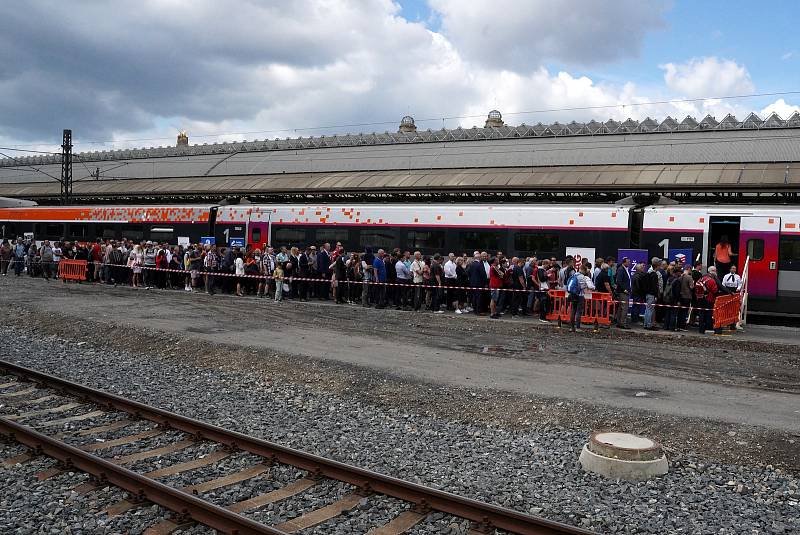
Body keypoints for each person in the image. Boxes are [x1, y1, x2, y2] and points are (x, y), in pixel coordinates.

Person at [566, 264, 595, 332]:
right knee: (579, 311)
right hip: (580, 295)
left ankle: (572, 327)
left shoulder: (574, 275)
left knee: (573, 310)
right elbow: (591, 287)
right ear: (584, 270)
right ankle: (578, 328)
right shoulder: (583, 277)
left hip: (573, 294)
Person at [696, 266, 720, 334]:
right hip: (709, 299)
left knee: (701, 314)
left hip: (700, 298)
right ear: (713, 272)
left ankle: (701, 329)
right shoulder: (712, 280)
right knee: (708, 314)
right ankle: (708, 328)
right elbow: (715, 291)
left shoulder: (701, 279)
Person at [643, 257, 661, 331]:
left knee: (648, 309)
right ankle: (649, 325)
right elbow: (654, 287)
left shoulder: (648, 273)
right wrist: (656, 295)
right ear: (657, 265)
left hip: (648, 294)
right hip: (651, 294)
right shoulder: (654, 275)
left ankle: (646, 324)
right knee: (650, 310)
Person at [614, 257, 632, 329]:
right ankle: (623, 323)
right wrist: (624, 289)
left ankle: (619, 322)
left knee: (621, 308)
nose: (629, 263)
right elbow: (619, 281)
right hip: (623, 292)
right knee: (624, 308)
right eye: (628, 262)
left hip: (623, 291)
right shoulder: (621, 270)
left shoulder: (623, 269)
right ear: (624, 262)